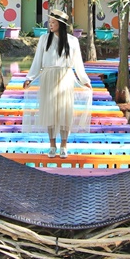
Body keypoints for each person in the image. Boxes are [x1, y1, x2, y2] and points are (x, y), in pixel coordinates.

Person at [22, 9, 93, 158]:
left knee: (64, 112)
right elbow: (37, 61)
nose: (50, 25)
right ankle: (52, 145)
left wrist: (85, 80)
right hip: (48, 77)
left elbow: (78, 64)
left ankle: (64, 146)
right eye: (50, 22)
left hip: (65, 77)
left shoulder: (72, 41)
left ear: (60, 24)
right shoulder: (43, 39)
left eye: (53, 23)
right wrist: (30, 77)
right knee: (49, 112)